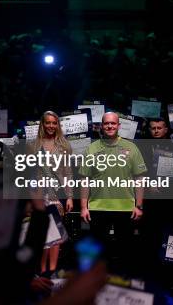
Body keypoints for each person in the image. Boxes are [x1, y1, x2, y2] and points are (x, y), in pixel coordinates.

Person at [79, 112, 147, 262]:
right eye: (106, 123)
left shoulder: (131, 148)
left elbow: (139, 178)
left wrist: (139, 206)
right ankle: (99, 282)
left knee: (125, 249)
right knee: (98, 250)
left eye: (113, 123)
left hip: (125, 208)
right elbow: (85, 179)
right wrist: (84, 207)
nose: (109, 126)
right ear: (101, 126)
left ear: (119, 126)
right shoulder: (91, 149)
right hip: (97, 207)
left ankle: (121, 281)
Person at [31, 111, 74, 277]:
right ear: (42, 124)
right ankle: (42, 271)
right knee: (42, 232)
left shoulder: (64, 145)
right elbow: (29, 173)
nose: (51, 126)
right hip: (40, 194)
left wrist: (69, 196)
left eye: (54, 123)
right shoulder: (33, 145)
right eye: (47, 123)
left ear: (58, 125)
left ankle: (53, 270)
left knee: (56, 233)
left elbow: (68, 172)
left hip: (58, 193)